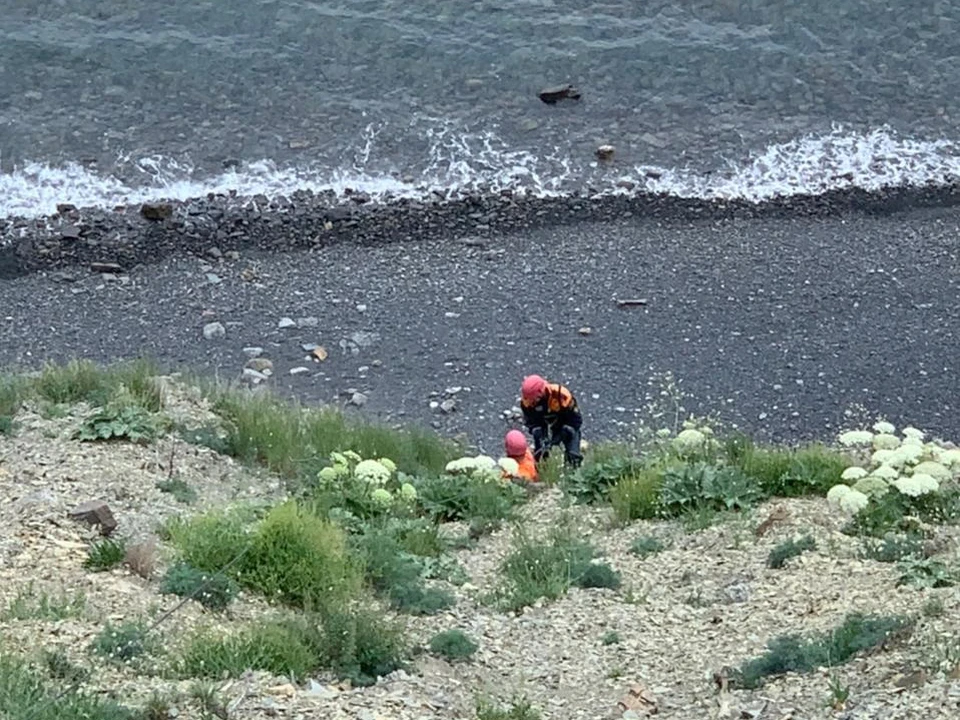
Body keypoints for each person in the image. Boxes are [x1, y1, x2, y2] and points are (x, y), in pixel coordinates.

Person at [519, 374, 583, 468]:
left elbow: (576, 420)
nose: (531, 403)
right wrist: (538, 433)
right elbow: (530, 422)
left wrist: (564, 433)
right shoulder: (527, 402)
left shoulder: (561, 395)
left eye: (534, 400)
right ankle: (541, 474)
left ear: (541, 392)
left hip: (566, 424)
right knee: (540, 455)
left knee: (573, 455)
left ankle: (574, 474)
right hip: (542, 425)